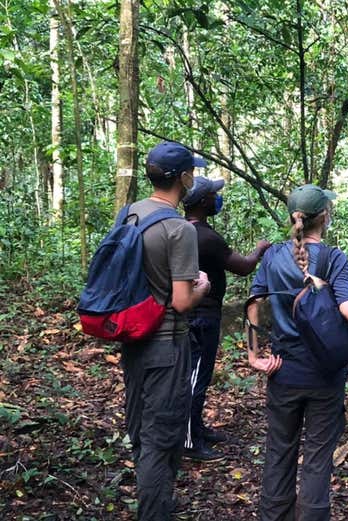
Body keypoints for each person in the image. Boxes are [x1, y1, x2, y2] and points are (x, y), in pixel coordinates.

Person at [247, 184, 348, 521]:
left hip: (283, 371)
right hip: (324, 375)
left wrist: (254, 355)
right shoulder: (333, 257)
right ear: (323, 216)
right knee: (317, 457)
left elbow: (255, 304)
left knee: (279, 450)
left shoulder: (272, 256)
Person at [121, 141, 211, 520]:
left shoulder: (130, 214)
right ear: (185, 178)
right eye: (193, 172)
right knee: (162, 439)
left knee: (142, 431)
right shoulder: (179, 229)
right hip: (167, 344)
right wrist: (201, 287)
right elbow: (180, 301)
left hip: (133, 339)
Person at [181, 176, 271, 461]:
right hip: (200, 316)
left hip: (197, 313)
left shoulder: (184, 230)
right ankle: (188, 441)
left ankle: (196, 428)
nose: (216, 199)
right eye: (213, 195)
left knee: (200, 374)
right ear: (203, 201)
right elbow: (243, 267)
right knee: (195, 377)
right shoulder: (205, 237)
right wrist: (260, 249)